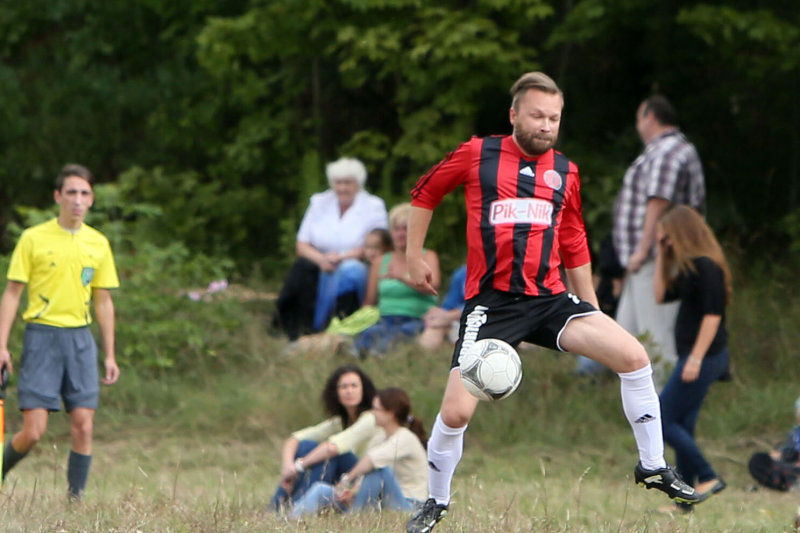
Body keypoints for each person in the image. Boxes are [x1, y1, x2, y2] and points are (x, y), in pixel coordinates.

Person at [403, 72, 701, 533]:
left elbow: (573, 237)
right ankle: (435, 501)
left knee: (634, 356)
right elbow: (425, 193)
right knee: (457, 411)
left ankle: (653, 465)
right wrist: (413, 257)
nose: (546, 125)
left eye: (554, 119)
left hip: (550, 299)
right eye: (538, 116)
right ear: (515, 115)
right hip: (493, 304)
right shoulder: (477, 153)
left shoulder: (565, 170)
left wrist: (593, 307)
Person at [0, 164, 120, 500]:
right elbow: (12, 293)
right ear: (58, 197)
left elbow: (104, 301)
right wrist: (2, 345)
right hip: (41, 337)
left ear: (92, 199)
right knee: (34, 432)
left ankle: (74, 501)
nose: (77, 200)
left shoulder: (98, 244)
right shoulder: (33, 238)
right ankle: (1, 468)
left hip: (80, 340)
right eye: (71, 193)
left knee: (83, 424)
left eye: (84, 193)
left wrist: (109, 354)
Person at [612, 95, 706, 374]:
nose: (638, 125)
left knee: (655, 338)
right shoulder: (661, 150)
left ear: (650, 117)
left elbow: (659, 201)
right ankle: (637, 407)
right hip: (644, 262)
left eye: (640, 118)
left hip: (658, 259)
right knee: (624, 336)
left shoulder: (668, 150)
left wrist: (642, 250)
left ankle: (662, 407)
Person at [654, 205, 732, 512]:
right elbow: (660, 296)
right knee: (683, 423)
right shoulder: (690, 269)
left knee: (661, 417)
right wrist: (661, 255)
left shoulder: (708, 267)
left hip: (706, 356)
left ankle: (709, 476)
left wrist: (696, 360)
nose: (665, 241)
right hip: (692, 355)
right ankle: (684, 498)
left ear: (681, 232)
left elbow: (713, 317)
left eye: (667, 236)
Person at [276, 157, 388, 343]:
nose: (342, 188)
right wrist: (321, 260)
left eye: (348, 183)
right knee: (303, 268)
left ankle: (339, 325)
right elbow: (302, 243)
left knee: (349, 270)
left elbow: (379, 245)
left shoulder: (373, 206)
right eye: (338, 182)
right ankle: (297, 325)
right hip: (320, 262)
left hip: (357, 263)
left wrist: (341, 258)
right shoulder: (319, 202)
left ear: (358, 183)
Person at [289, 387, 428, 518]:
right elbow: (365, 476)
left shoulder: (405, 438)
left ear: (390, 413)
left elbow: (371, 461)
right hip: (380, 501)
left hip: (409, 504)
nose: (372, 413)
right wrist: (351, 492)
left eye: (376, 409)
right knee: (321, 490)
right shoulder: (379, 438)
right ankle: (290, 522)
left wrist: (346, 481)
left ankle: (353, 519)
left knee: (379, 470)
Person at [270, 364, 381, 511]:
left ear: (364, 390)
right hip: (347, 479)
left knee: (333, 455)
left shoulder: (370, 418)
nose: (349, 391)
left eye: (354, 386)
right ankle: (279, 506)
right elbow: (294, 438)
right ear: (335, 393)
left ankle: (294, 505)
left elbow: (333, 448)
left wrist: (299, 466)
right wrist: (288, 466)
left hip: (367, 482)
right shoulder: (339, 421)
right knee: (306, 445)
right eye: (343, 387)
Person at [354, 203, 439, 357]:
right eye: (396, 229)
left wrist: (401, 278)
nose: (400, 234)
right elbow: (370, 300)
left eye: (405, 229)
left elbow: (433, 287)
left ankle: (380, 354)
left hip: (416, 318)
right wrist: (358, 320)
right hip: (386, 319)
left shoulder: (427, 256)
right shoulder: (381, 261)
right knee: (370, 333)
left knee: (401, 334)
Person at [748, 395, 800, 492]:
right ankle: (789, 483)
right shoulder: (795, 433)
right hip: (790, 467)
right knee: (758, 459)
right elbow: (788, 450)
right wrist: (779, 453)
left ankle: (791, 482)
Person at [418, 265, 466, 351]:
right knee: (434, 326)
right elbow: (449, 306)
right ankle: (423, 360)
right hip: (460, 320)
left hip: (486, 321)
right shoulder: (462, 273)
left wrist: (450, 316)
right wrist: (437, 314)